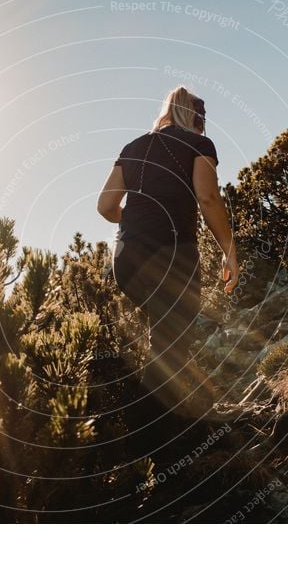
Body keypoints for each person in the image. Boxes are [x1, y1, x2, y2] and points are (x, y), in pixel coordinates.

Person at [97, 85, 239, 428]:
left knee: (162, 335)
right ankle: (161, 434)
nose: (202, 130)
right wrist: (229, 251)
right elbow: (207, 198)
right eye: (201, 123)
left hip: (127, 256)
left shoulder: (133, 148)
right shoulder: (198, 144)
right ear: (195, 118)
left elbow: (105, 206)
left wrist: (135, 221)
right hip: (172, 253)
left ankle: (152, 429)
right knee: (171, 340)